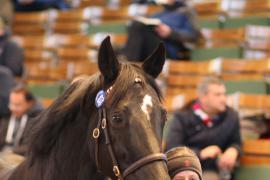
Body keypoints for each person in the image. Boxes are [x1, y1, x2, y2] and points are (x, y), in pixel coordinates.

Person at [166, 77, 242, 180]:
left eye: (224, 94)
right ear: (203, 97)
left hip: (215, 170)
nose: (223, 98)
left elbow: (236, 141)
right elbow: (172, 147)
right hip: (185, 169)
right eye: (218, 95)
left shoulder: (231, 116)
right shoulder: (182, 116)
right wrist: (200, 154)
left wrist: (234, 150)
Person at [121, 0, 201, 61]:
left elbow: (194, 36)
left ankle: (129, 64)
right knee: (113, 47)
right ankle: (129, 62)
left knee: (137, 26)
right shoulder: (158, 13)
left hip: (168, 50)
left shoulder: (186, 11)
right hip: (149, 49)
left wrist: (171, 33)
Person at [0, 85, 44, 156]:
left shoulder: (35, 119)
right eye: (11, 104)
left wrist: (12, 151)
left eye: (18, 105)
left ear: (29, 104)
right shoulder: (6, 116)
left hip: (21, 158)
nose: (13, 108)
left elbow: (31, 146)